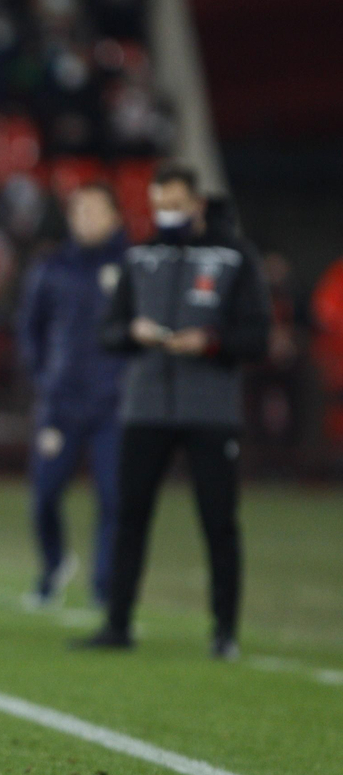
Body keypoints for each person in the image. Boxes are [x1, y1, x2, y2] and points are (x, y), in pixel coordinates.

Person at [77, 166, 271, 659]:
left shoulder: (235, 257)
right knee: (129, 516)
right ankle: (117, 623)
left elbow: (258, 336)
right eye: (160, 205)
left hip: (211, 410)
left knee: (219, 521)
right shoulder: (139, 257)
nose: (167, 214)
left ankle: (224, 631)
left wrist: (210, 342)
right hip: (145, 407)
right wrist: (132, 332)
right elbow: (109, 331)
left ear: (198, 205)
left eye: (176, 205)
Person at [16, 183, 128, 608]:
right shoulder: (51, 267)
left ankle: (105, 588)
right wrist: (44, 379)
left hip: (113, 406)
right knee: (44, 494)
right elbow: (30, 328)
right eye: (79, 211)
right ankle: (54, 564)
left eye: (95, 210)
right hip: (60, 403)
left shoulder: (132, 267)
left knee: (113, 499)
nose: (86, 219)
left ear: (115, 217)